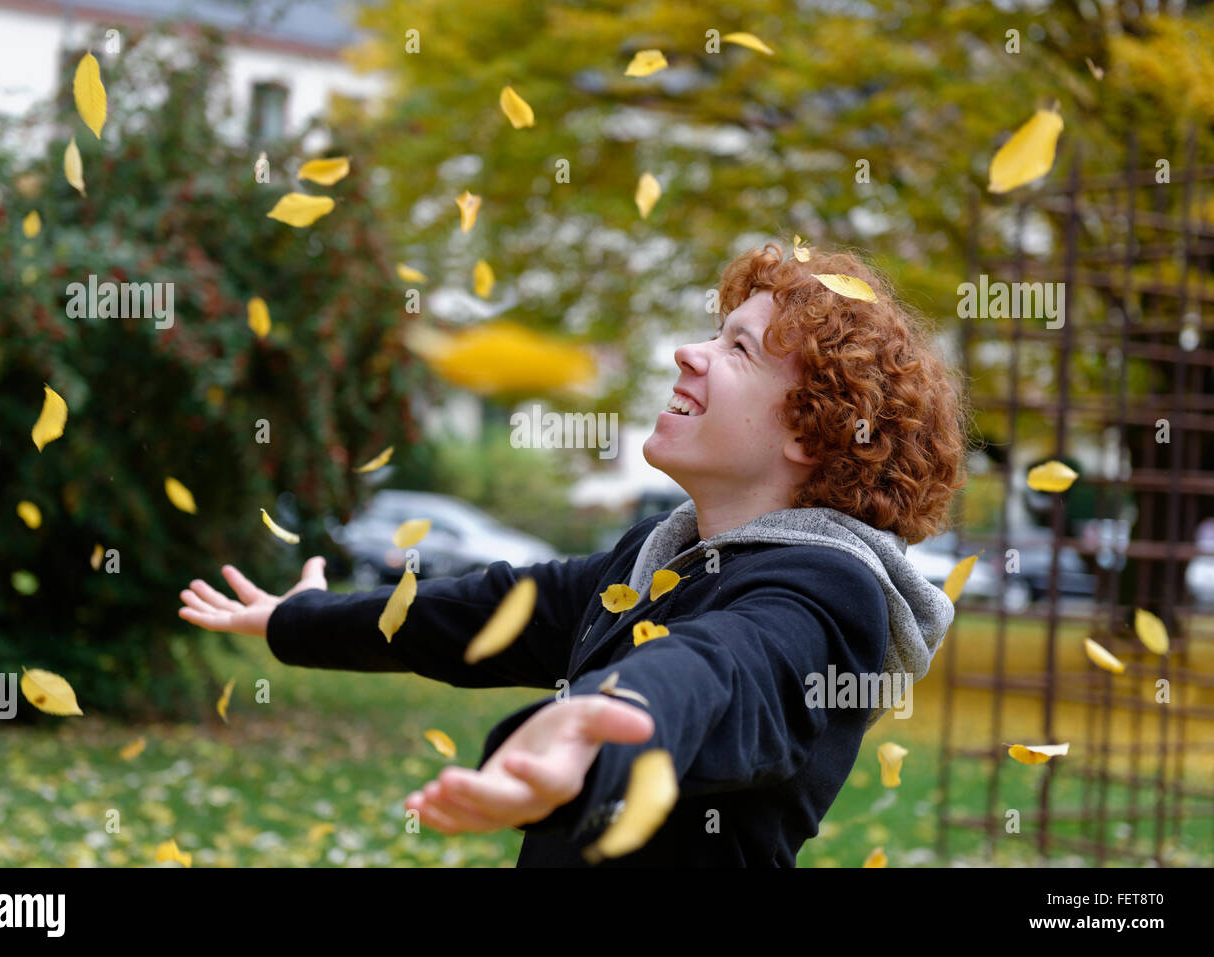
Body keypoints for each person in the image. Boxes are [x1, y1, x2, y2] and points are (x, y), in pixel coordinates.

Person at [178, 242, 968, 866]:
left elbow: (725, 670)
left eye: (738, 349)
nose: (687, 354)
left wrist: (612, 716)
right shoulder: (661, 559)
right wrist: (300, 619)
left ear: (810, 427)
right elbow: (484, 610)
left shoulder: (828, 595)